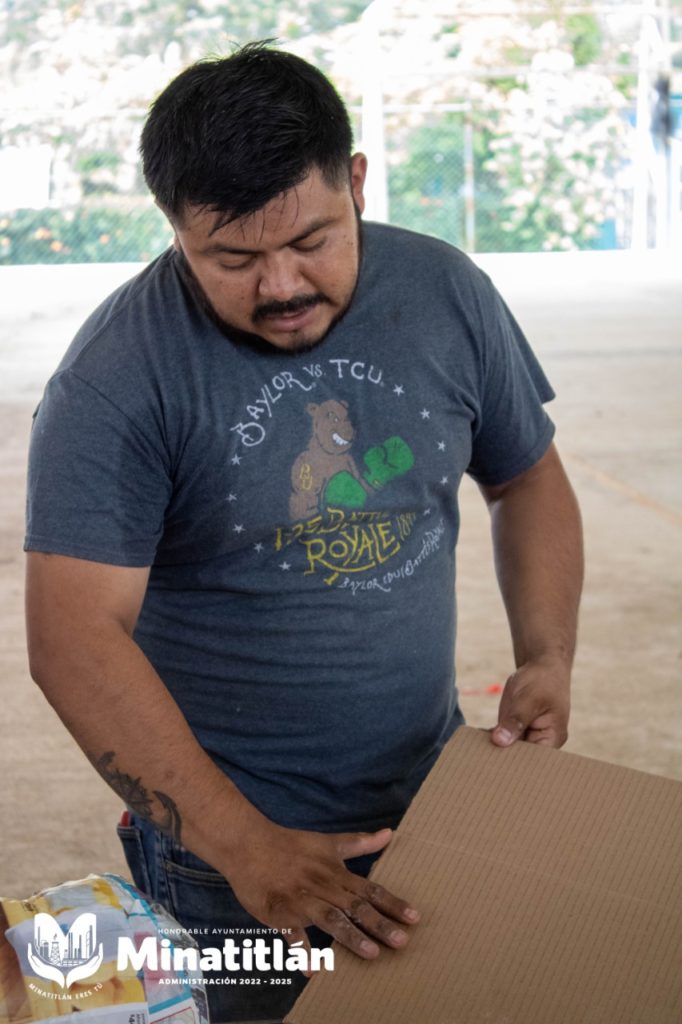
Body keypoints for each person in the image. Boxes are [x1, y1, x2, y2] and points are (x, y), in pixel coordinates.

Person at [24, 42, 583, 1023]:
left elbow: (525, 474)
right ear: (174, 226)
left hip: (435, 799)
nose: (281, 284)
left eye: (312, 240)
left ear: (355, 182)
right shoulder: (116, 377)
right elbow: (72, 637)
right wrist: (246, 848)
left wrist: (547, 655)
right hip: (223, 855)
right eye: (233, 259)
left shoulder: (445, 293)